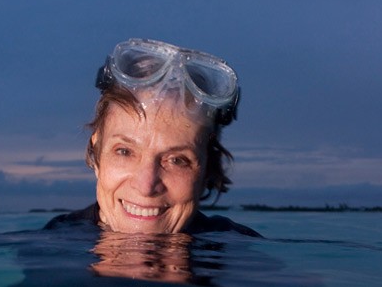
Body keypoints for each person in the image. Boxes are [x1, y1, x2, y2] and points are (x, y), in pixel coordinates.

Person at [44, 38, 260, 237]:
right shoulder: (51, 247)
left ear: (208, 168)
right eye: (124, 151)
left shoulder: (238, 250)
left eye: (177, 160)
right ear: (97, 154)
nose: (146, 186)